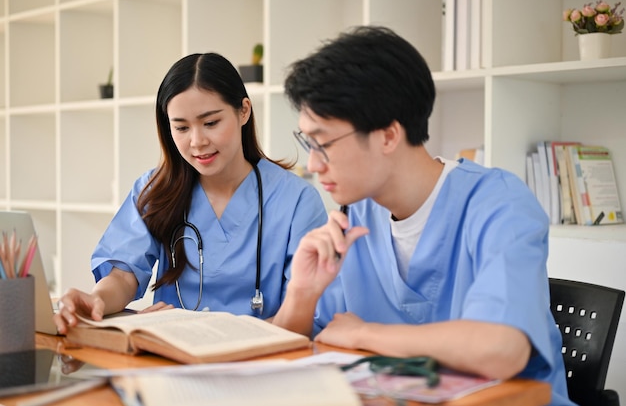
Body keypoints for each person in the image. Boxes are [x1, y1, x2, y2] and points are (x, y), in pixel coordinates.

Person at [271, 26, 574, 405]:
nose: (313, 164)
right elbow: (308, 344)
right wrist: (303, 291)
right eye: (307, 143)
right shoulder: (357, 214)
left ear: (387, 135)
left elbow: (500, 349)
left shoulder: (499, 203)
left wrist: (366, 334)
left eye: (324, 143)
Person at [54, 52, 327, 333]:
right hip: (173, 360)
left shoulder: (296, 201)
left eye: (211, 123)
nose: (197, 142)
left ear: (243, 111)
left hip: (258, 362)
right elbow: (123, 276)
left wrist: (209, 334)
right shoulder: (155, 189)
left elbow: (307, 313)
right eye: (182, 127)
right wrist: (96, 300)